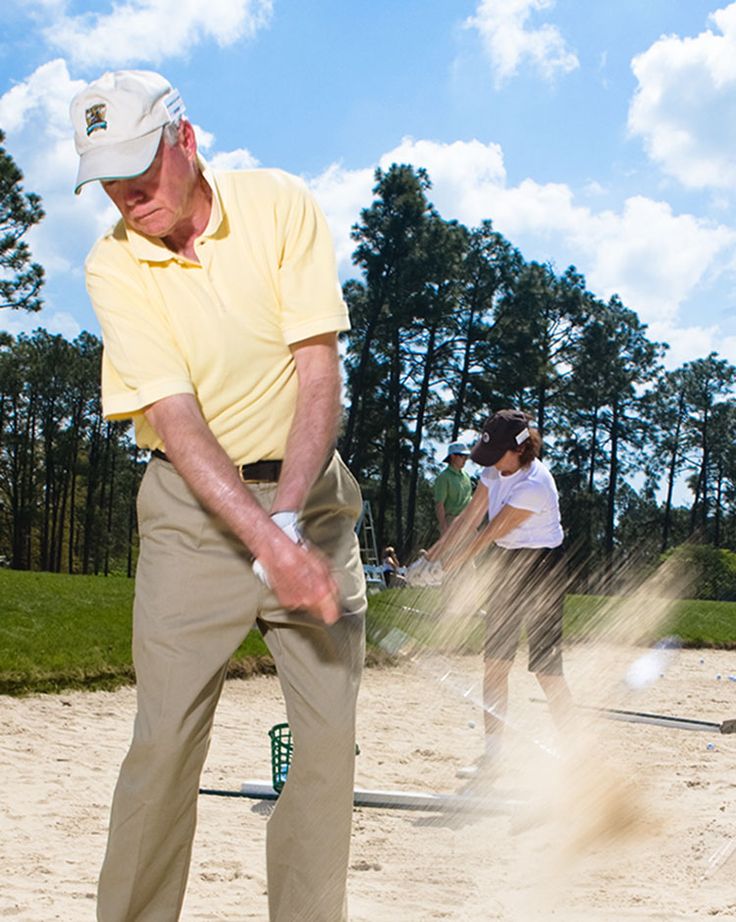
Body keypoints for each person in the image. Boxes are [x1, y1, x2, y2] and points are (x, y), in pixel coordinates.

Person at [69, 69, 366, 922]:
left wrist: (291, 519)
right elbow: (178, 419)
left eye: (139, 167)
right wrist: (268, 542)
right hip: (191, 521)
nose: (127, 194)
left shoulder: (277, 205)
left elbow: (318, 370)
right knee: (162, 746)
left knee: (326, 750)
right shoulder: (112, 266)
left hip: (311, 504)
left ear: (186, 141)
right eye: (106, 178)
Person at [422, 409, 572, 779]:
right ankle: (493, 758)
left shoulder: (536, 485)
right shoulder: (493, 470)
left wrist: (448, 567)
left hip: (542, 568)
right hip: (508, 562)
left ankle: (576, 756)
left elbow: (488, 533)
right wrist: (432, 554)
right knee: (495, 663)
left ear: (520, 450)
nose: (488, 464)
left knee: (546, 671)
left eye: (496, 455)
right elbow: (469, 518)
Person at [433, 441, 472, 535]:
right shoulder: (444, 477)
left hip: (468, 521)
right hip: (451, 521)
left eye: (466, 457)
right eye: (462, 456)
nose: (465, 460)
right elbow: (439, 504)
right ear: (453, 456)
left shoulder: (466, 476)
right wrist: (444, 526)